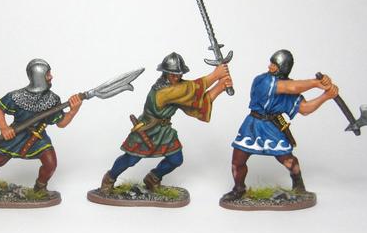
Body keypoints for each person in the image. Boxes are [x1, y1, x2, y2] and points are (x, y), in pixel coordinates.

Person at [100, 52, 232, 192]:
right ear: (165, 73)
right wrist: (216, 75)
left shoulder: (178, 88)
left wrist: (220, 87)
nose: (176, 77)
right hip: (147, 129)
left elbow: (195, 105)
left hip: (164, 131)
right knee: (130, 159)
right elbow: (190, 90)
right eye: (172, 74)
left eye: (179, 74)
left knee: (176, 160)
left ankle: (153, 178)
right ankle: (109, 178)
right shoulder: (163, 91)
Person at [223, 49, 339, 201]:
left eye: (274, 65)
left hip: (273, 126)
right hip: (252, 125)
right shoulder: (262, 80)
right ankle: (238, 189)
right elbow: (290, 87)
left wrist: (326, 96)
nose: (270, 66)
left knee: (289, 160)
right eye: (271, 63)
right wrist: (316, 83)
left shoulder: (291, 88)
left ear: (283, 68)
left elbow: (305, 109)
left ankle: (299, 187)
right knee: (238, 161)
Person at [0, 59, 83, 193]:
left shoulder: (53, 99)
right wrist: (4, 128)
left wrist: (73, 110)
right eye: (47, 74)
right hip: (16, 134)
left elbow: (61, 123)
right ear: (38, 77)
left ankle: (40, 188)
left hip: (38, 137)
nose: (51, 76)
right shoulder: (16, 96)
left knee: (51, 164)